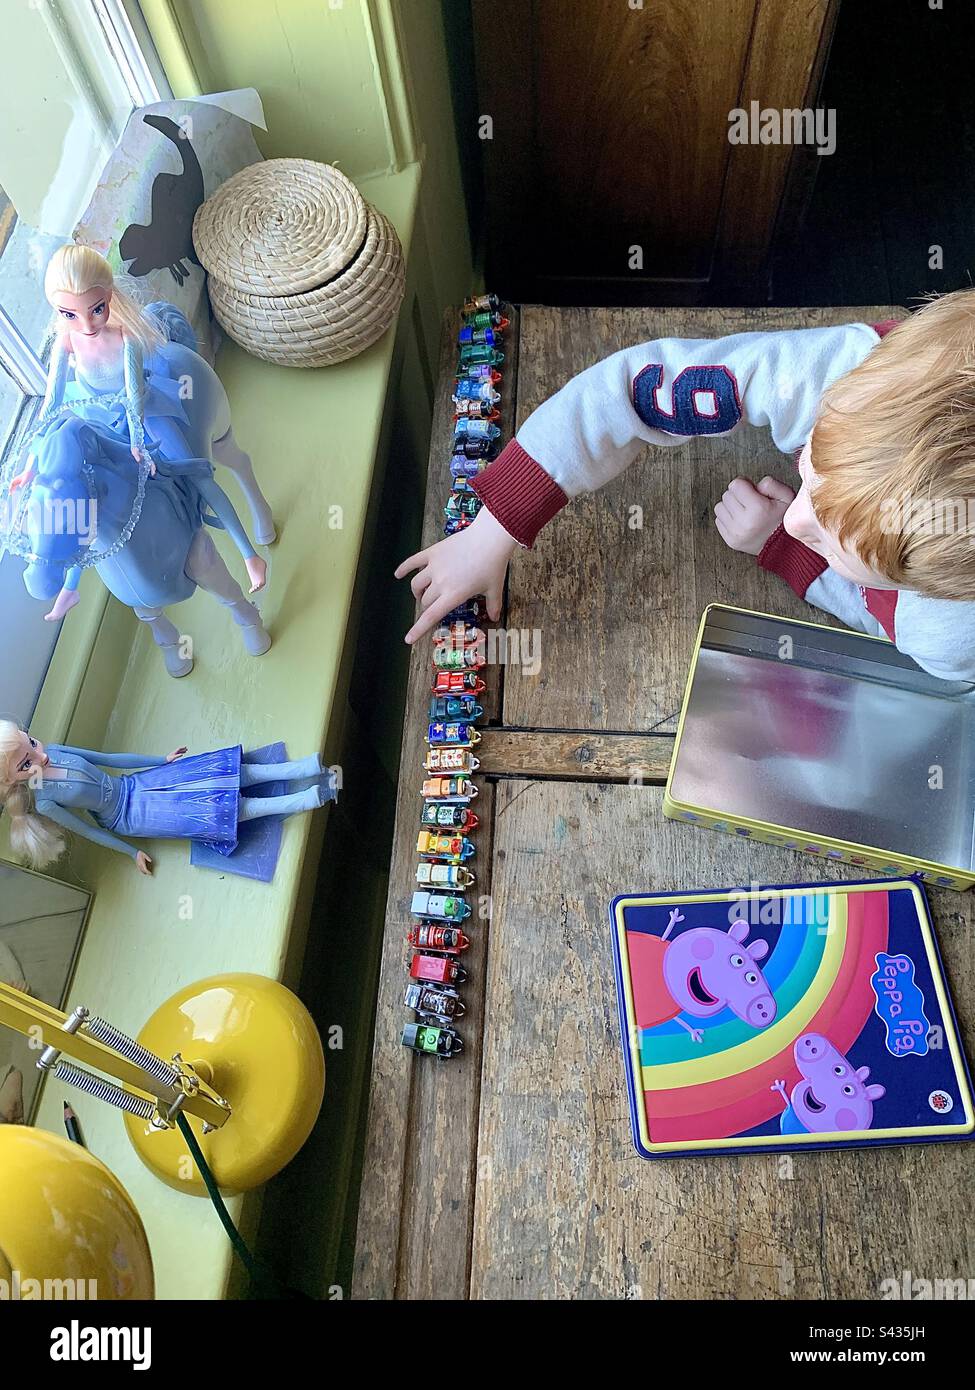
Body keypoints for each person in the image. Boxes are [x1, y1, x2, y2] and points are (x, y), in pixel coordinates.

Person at [396, 294, 975, 682]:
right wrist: (494, 529)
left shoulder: (947, 634)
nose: (798, 517)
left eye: (829, 538)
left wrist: (786, 548)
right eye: (809, 475)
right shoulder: (850, 379)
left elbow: (881, 619)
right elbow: (631, 388)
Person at [0, 721, 334, 877]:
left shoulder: (56, 751)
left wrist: (161, 760)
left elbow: (109, 758)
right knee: (216, 811)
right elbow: (90, 831)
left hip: (135, 784)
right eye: (25, 763)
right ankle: (306, 799)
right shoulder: (45, 803)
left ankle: (302, 767)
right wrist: (132, 851)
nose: (39, 756)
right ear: (11, 779)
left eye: (33, 742)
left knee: (219, 772)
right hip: (131, 817)